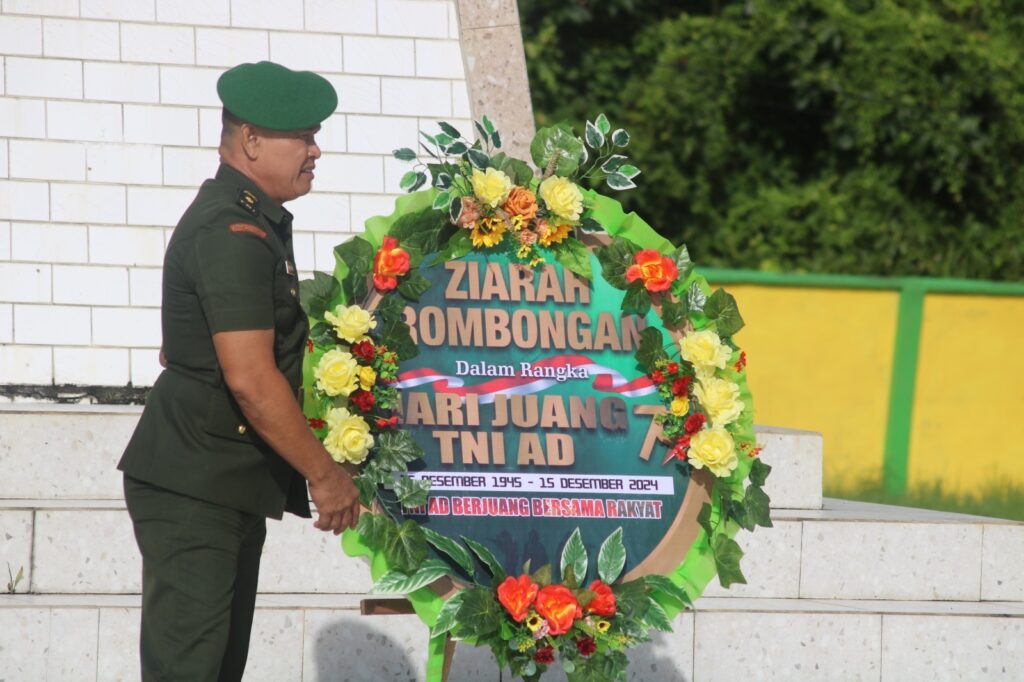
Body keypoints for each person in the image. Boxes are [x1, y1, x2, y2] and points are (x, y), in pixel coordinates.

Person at [118, 61, 361, 682]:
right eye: (303, 136)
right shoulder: (233, 230)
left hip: (218, 480)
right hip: (195, 483)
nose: (316, 151)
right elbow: (251, 380)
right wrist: (324, 474)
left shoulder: (250, 220)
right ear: (251, 139)